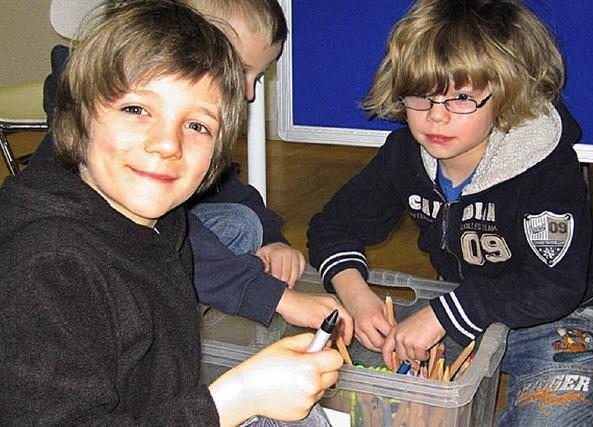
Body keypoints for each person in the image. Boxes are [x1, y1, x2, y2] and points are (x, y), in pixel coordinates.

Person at [0, 2, 342, 425]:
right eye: (136, 110)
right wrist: (234, 399)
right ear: (77, 119)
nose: (168, 144)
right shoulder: (49, 267)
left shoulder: (162, 220)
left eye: (197, 126)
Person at [306, 0, 593, 425]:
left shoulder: (544, 171)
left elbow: (555, 286)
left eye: (462, 98)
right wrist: (356, 295)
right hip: (470, 307)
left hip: (566, 315)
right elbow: (333, 226)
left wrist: (443, 315)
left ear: (505, 94)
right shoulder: (406, 156)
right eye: (421, 96)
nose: (436, 116)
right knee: (368, 384)